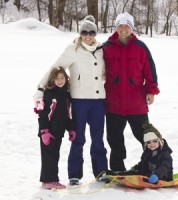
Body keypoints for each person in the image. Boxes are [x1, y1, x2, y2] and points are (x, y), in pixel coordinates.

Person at [33, 15, 108, 186]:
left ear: (95, 33)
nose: (87, 36)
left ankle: (102, 172)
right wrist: (40, 89)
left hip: (98, 100)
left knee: (98, 138)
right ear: (80, 33)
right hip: (79, 100)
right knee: (78, 137)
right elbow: (55, 68)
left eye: (91, 32)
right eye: (84, 32)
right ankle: (75, 174)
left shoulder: (102, 49)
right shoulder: (72, 49)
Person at [101, 12, 160, 171]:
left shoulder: (140, 47)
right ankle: (117, 169)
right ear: (116, 27)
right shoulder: (106, 47)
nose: (123, 29)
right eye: (120, 25)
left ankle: (152, 166)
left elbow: (150, 70)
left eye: (127, 25)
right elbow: (94, 68)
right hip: (113, 103)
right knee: (115, 140)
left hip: (136, 103)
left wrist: (151, 90)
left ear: (132, 28)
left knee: (146, 137)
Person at [38, 67, 76, 189]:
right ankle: (48, 180)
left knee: (54, 157)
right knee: (49, 157)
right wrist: (44, 131)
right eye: (57, 78)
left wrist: (71, 129)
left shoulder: (66, 95)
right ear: (52, 80)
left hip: (58, 133)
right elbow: (43, 114)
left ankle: (50, 180)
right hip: (48, 133)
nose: (60, 81)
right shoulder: (50, 95)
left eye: (62, 78)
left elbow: (66, 114)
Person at [103, 122, 173, 184]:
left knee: (139, 177)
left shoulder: (165, 154)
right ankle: (114, 175)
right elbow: (143, 164)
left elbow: (165, 167)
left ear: (160, 141)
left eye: (154, 141)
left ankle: (121, 178)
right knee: (131, 173)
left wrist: (156, 175)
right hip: (146, 175)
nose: (152, 144)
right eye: (148, 142)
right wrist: (135, 168)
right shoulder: (147, 153)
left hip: (162, 178)